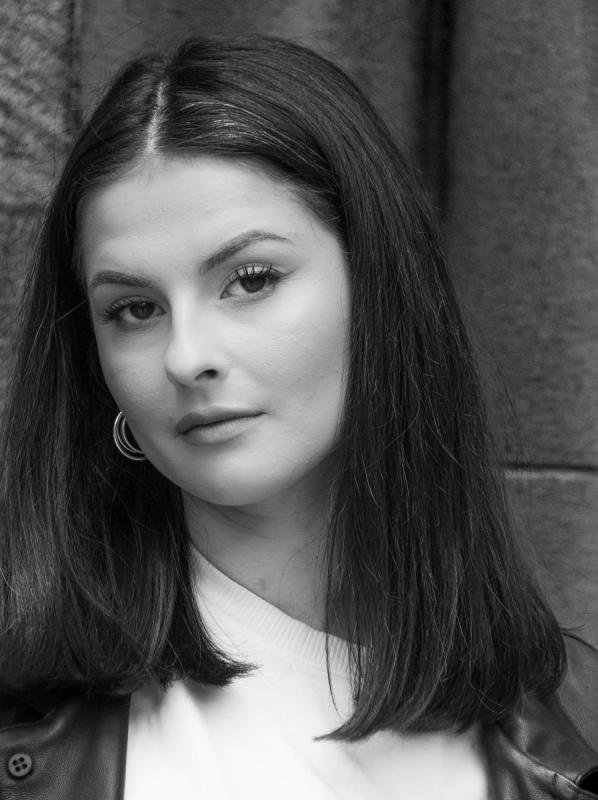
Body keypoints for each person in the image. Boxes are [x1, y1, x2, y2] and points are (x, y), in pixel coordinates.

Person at [0, 35, 596, 800]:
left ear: (378, 286)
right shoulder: (25, 719)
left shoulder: (577, 719)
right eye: (135, 309)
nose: (186, 356)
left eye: (250, 279)